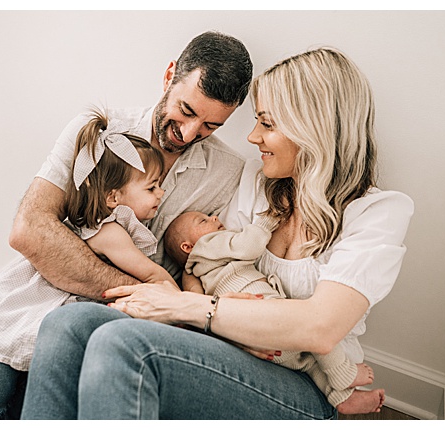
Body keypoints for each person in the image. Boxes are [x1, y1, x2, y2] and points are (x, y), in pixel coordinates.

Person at [21, 47, 413, 420]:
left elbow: (320, 328)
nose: (253, 136)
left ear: (313, 129)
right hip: (227, 344)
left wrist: (187, 307)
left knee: (124, 346)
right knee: (65, 325)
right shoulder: (254, 185)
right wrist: (225, 313)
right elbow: (199, 261)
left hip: (308, 380)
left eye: (267, 123)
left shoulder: (378, 211)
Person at [0, 31, 252, 419]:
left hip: (102, 329)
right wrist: (148, 289)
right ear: (169, 76)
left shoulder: (227, 173)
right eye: (187, 111)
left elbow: (200, 261)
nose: (191, 134)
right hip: (29, 297)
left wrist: (212, 308)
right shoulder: (102, 132)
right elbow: (30, 231)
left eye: (211, 126)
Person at [0, 112, 171, 419]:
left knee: (3, 401)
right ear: (114, 197)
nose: (161, 194)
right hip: (18, 316)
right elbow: (151, 274)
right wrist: (177, 301)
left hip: (32, 322)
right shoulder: (111, 232)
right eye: (152, 187)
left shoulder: (109, 225)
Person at [163, 210, 382, 413]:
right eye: (203, 220)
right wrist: (267, 220)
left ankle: (341, 398)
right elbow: (247, 246)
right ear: (188, 247)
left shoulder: (190, 273)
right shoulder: (209, 245)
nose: (214, 218)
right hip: (261, 310)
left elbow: (198, 304)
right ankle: (343, 373)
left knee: (306, 362)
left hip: (244, 335)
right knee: (311, 334)